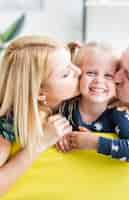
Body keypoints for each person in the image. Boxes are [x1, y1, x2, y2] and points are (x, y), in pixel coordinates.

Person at [0, 35, 81, 196]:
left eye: (72, 62)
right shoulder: (9, 124)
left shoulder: (73, 102)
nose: (78, 71)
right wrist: (39, 145)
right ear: (39, 93)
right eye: (66, 74)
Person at [56, 42, 129, 162]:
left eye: (108, 76)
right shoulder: (65, 107)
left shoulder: (118, 115)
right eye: (91, 73)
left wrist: (94, 142)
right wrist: (56, 135)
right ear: (78, 75)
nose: (99, 81)